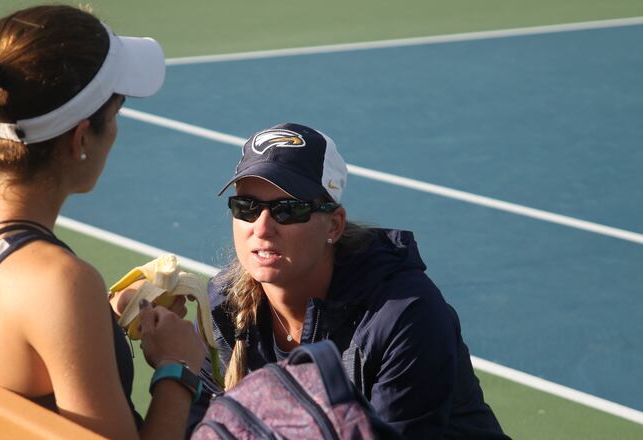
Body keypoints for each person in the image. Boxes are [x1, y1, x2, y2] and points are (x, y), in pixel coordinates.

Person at [0, 5, 205, 439]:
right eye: (116, 114)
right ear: (80, 139)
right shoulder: (60, 284)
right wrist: (179, 366)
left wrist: (97, 325)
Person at [188, 122, 510, 439]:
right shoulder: (223, 310)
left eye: (288, 210)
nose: (261, 227)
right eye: (247, 207)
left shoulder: (404, 317)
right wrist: (174, 370)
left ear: (334, 225)